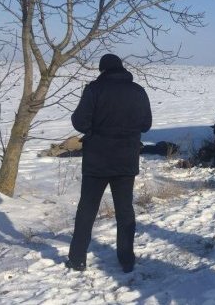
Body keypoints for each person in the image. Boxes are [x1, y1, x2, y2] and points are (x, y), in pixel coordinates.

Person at [65, 54, 152, 273]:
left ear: (102, 70)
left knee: (87, 209)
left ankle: (77, 259)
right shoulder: (138, 91)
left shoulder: (94, 89)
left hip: (97, 160)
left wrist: (96, 130)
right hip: (126, 159)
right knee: (125, 210)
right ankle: (127, 259)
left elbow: (79, 122)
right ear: (121, 68)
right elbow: (146, 124)